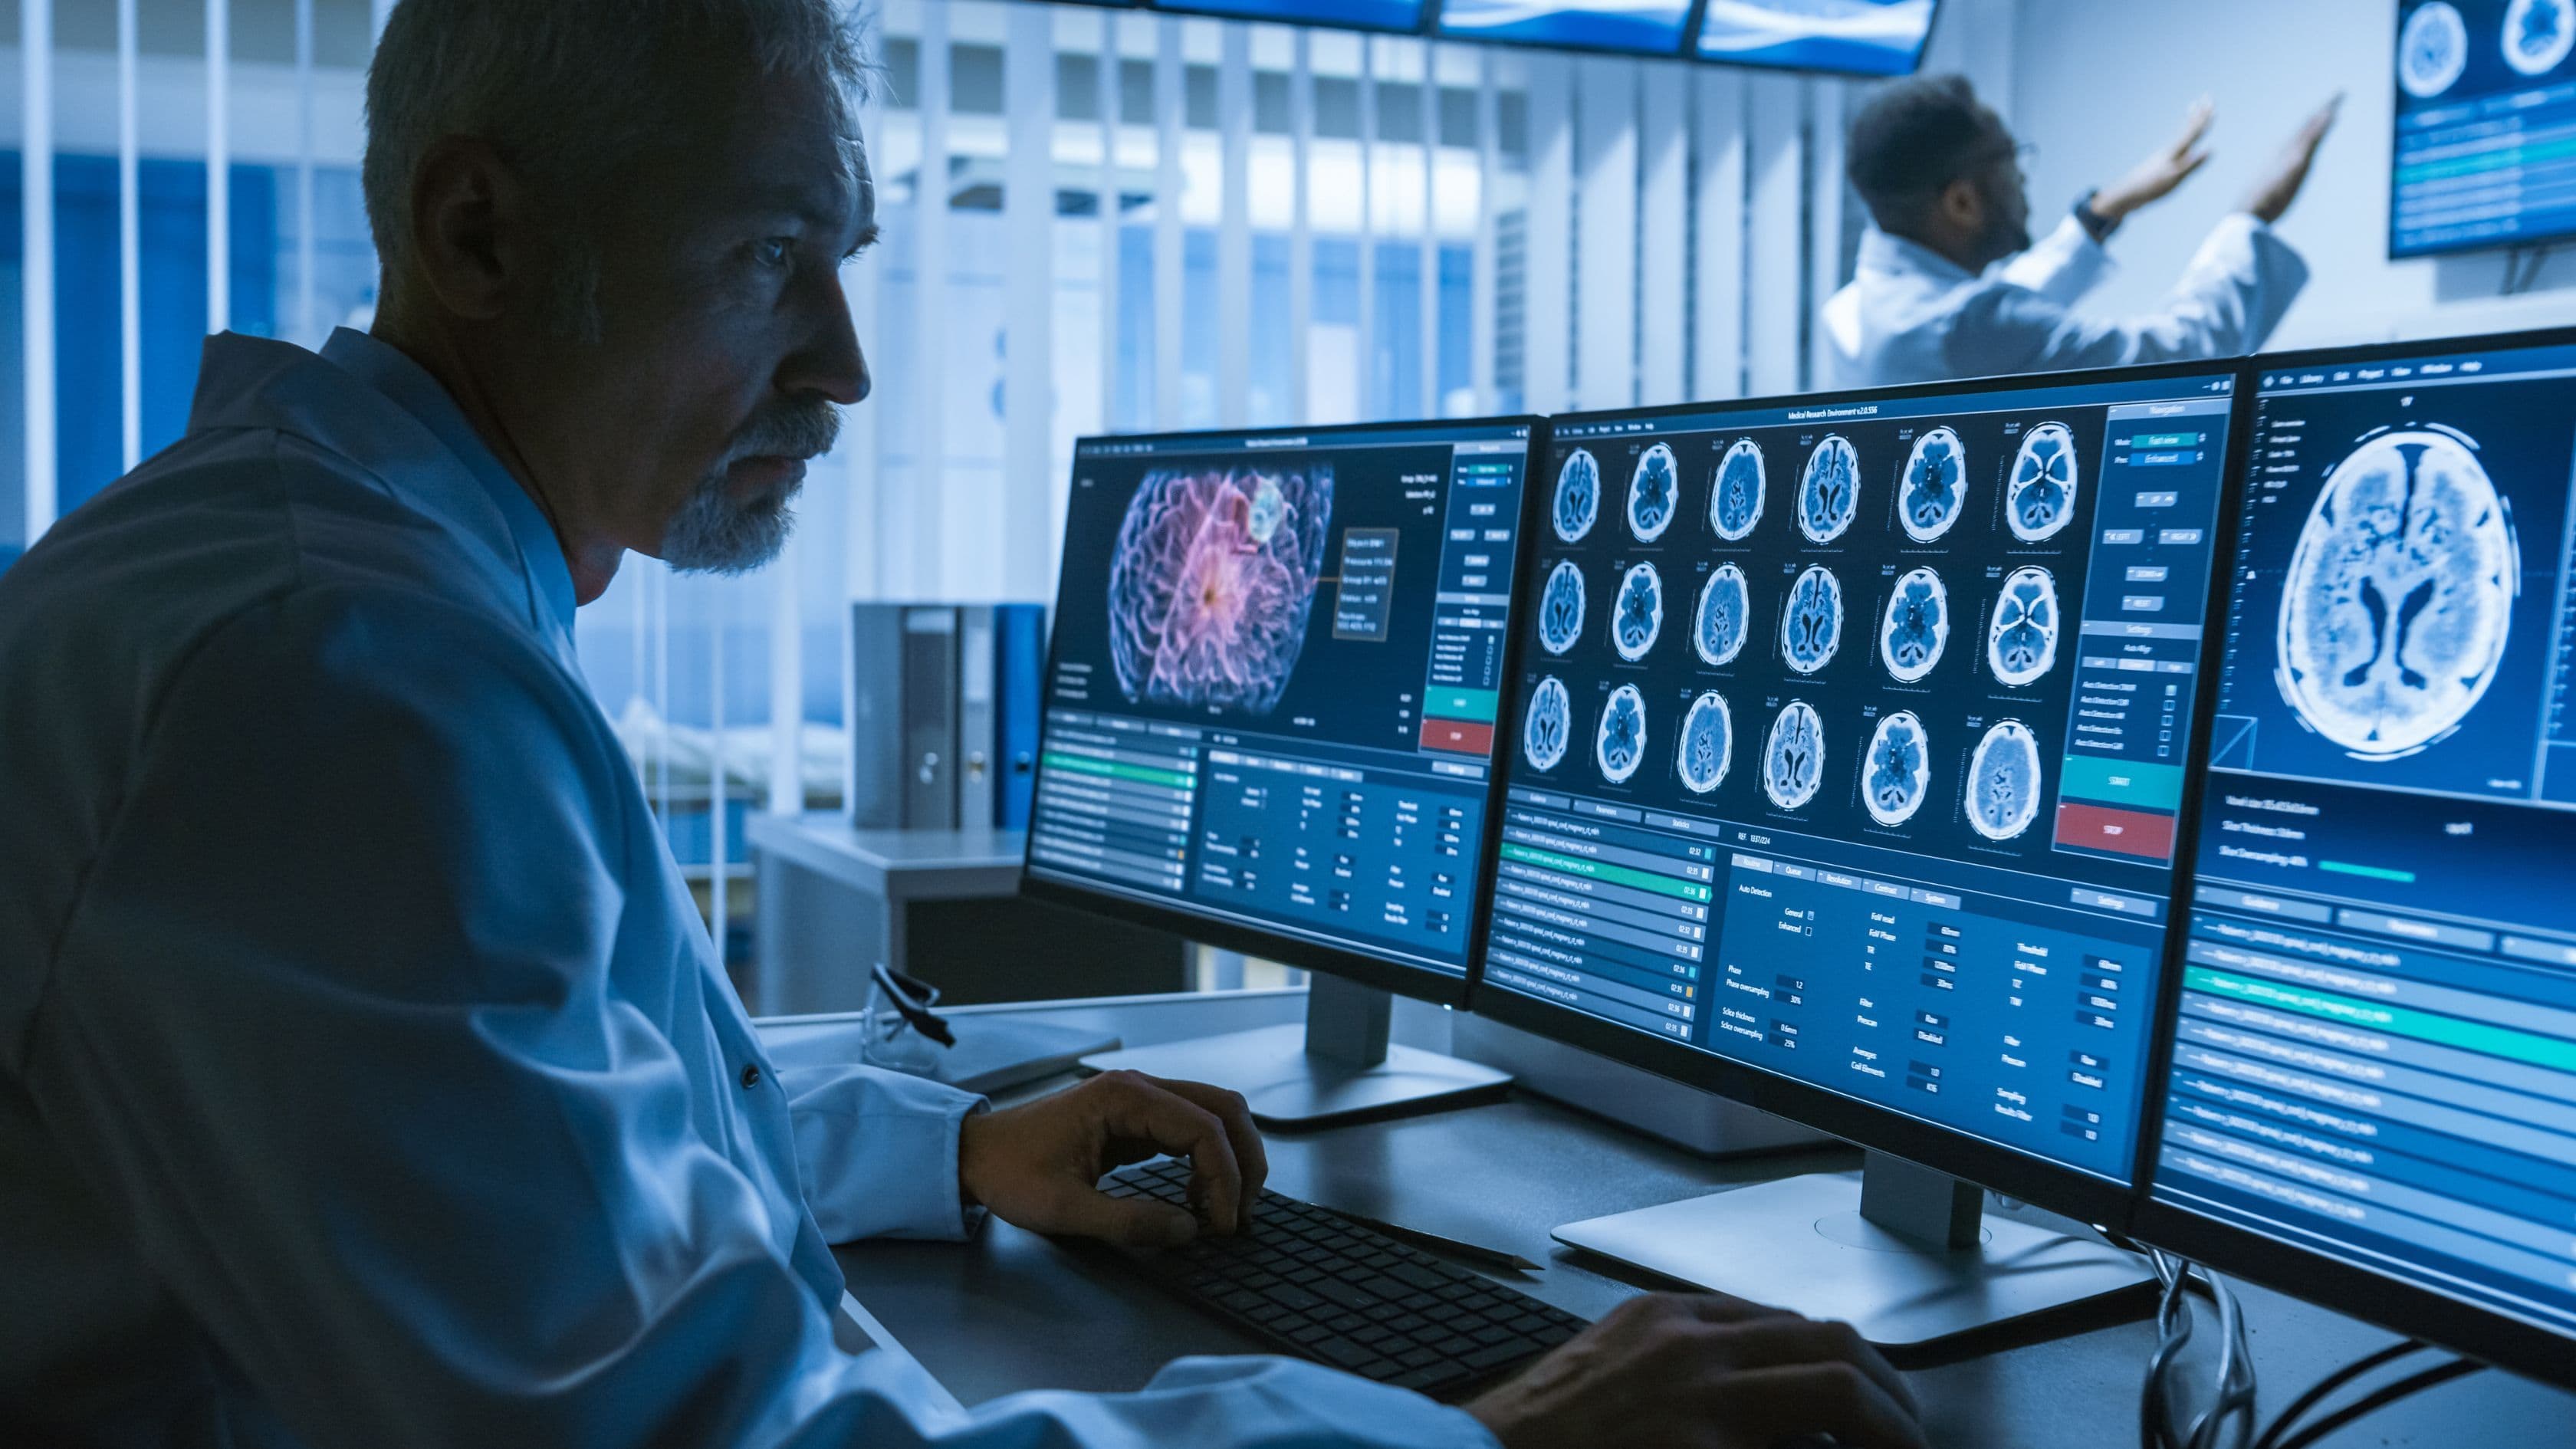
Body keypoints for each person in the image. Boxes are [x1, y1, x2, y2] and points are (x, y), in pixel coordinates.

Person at [0, 3, 1924, 1447]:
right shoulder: (329, 683)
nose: (843, 362)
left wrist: (951, 1151)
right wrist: (1481, 1435)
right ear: (481, 232)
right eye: (769, 255)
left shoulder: (371, 596)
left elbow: (542, 1143)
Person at [1824, 74, 2338, 388]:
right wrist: (2251, 217)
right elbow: (2176, 356)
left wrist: (2107, 208)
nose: (2023, 176)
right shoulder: (1962, 328)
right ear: (1961, 201)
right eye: (2009, 160)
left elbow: (2003, 303)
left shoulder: (1860, 309)